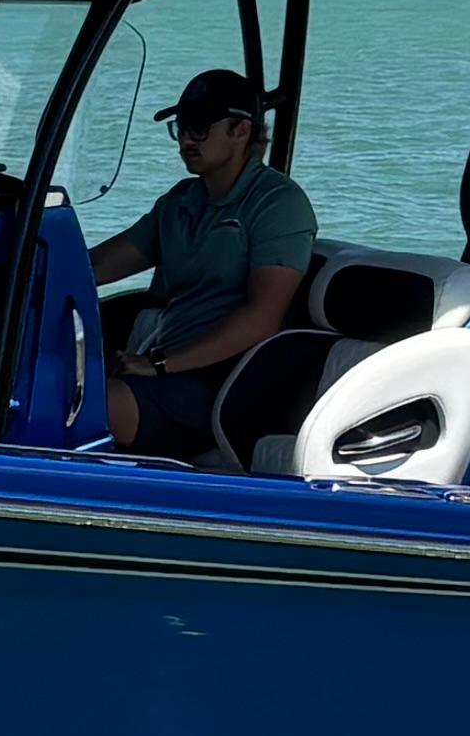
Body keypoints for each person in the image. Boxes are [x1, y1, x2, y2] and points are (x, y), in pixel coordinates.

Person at [88, 68, 319, 453]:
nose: (185, 140)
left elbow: (262, 319)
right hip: (166, 371)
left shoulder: (278, 204)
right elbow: (94, 268)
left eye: (198, 129)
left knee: (84, 403)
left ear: (241, 130)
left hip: (224, 385)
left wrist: (159, 363)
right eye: (181, 128)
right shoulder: (181, 201)